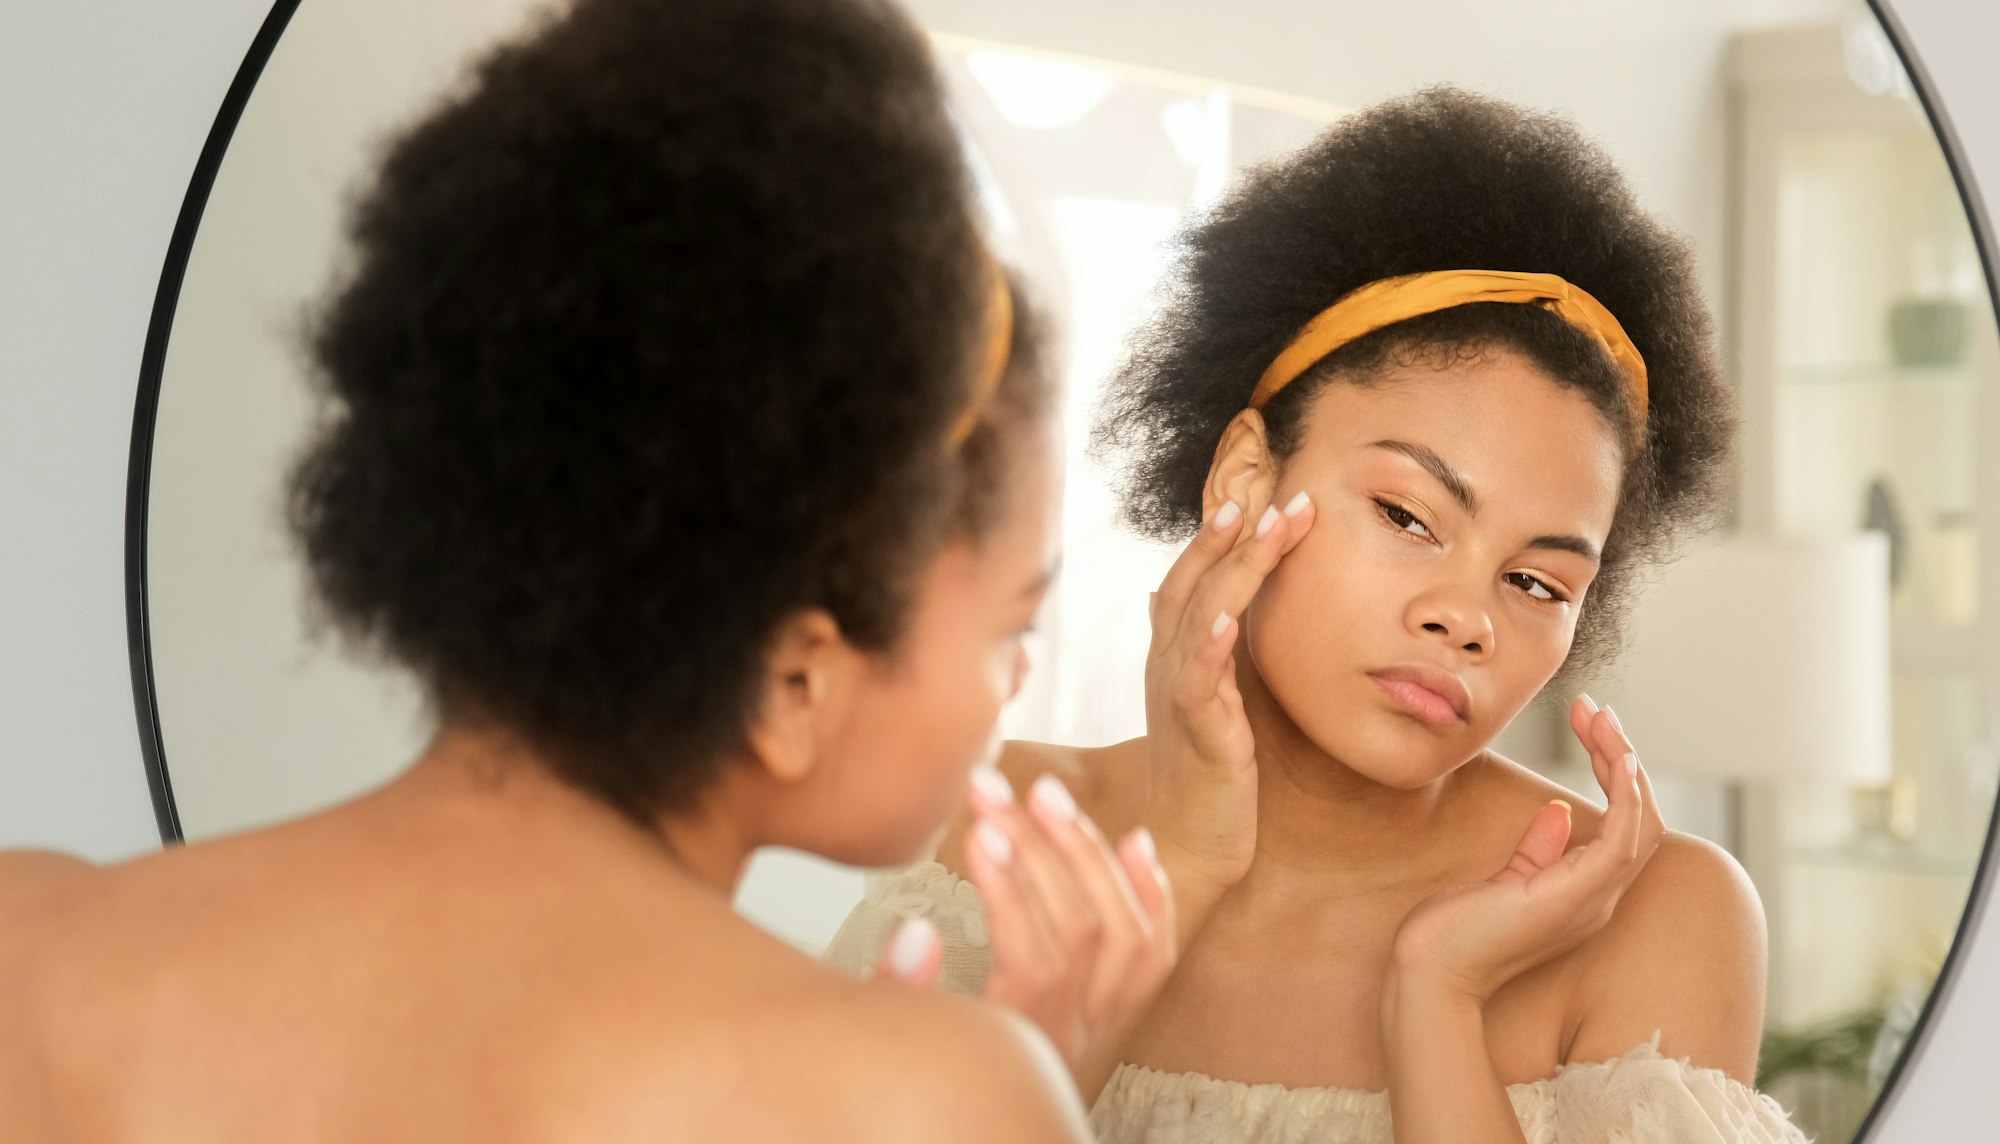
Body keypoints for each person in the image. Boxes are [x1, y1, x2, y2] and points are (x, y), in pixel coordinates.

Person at [0, 1, 1174, 1138]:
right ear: (793, 676)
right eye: (1009, 628)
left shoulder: (32, 951)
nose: (1014, 685)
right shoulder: (907, 1100)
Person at [829, 87, 1808, 1142]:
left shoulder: (1656, 913)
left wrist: (1434, 995)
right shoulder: (1003, 831)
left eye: (1535, 582)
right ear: (1245, 476)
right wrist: (1176, 867)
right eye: (1405, 513)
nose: (1463, 617)